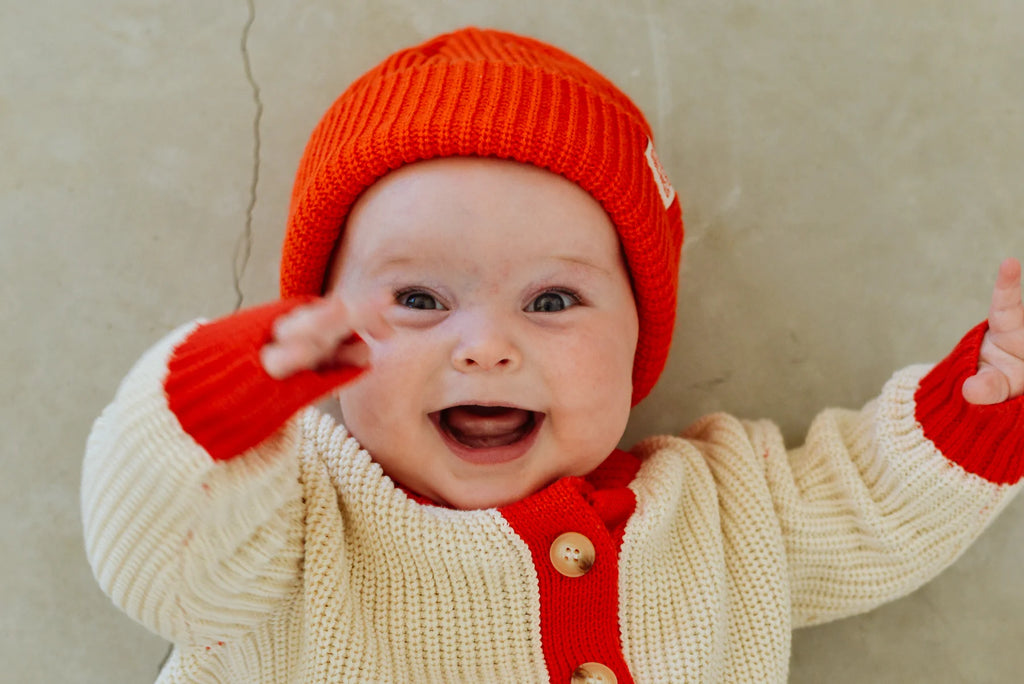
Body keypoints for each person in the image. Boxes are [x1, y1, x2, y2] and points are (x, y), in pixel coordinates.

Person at [82, 26, 1024, 683]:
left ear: (639, 340)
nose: (487, 346)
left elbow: (872, 508)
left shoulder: (723, 511)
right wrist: (227, 401)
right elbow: (169, 553)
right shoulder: (296, 523)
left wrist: (994, 394)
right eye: (418, 301)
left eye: (552, 300)